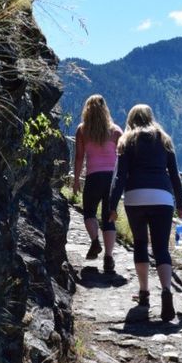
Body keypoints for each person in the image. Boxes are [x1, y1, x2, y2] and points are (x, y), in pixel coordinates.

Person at [109, 104, 182, 322]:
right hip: (162, 197)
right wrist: (180, 204)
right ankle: (166, 291)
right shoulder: (164, 139)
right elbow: (175, 176)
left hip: (135, 197)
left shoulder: (126, 140)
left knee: (141, 244)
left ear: (131, 119)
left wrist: (112, 206)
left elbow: (120, 177)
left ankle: (144, 294)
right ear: (151, 117)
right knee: (162, 248)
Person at [72, 94, 123, 275]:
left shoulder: (82, 130)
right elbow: (124, 159)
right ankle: (109, 257)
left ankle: (95, 241)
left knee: (89, 213)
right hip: (112, 179)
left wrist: (76, 179)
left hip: (93, 177)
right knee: (109, 217)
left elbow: (79, 157)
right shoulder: (116, 131)